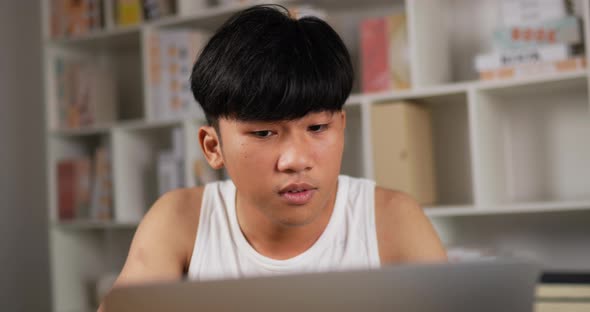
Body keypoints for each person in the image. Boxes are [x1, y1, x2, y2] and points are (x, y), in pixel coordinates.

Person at [98, 4, 446, 311]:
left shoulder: (392, 221)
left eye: (318, 128)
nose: (295, 160)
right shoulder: (179, 221)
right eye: (264, 133)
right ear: (212, 147)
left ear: (342, 127)